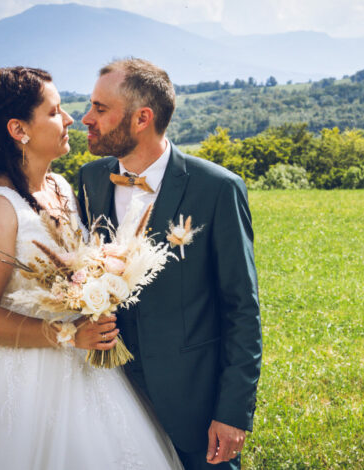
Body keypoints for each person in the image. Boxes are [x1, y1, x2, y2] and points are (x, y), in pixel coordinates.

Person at [0, 67, 182, 470]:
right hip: (15, 380)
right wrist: (69, 334)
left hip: (84, 369)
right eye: (55, 111)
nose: (69, 119)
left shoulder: (61, 187)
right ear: (19, 129)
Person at [77, 58, 262, 470]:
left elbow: (241, 308)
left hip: (192, 406)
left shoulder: (217, 188)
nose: (86, 118)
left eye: (100, 109)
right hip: (106, 395)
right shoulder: (90, 179)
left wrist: (233, 411)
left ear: (142, 118)